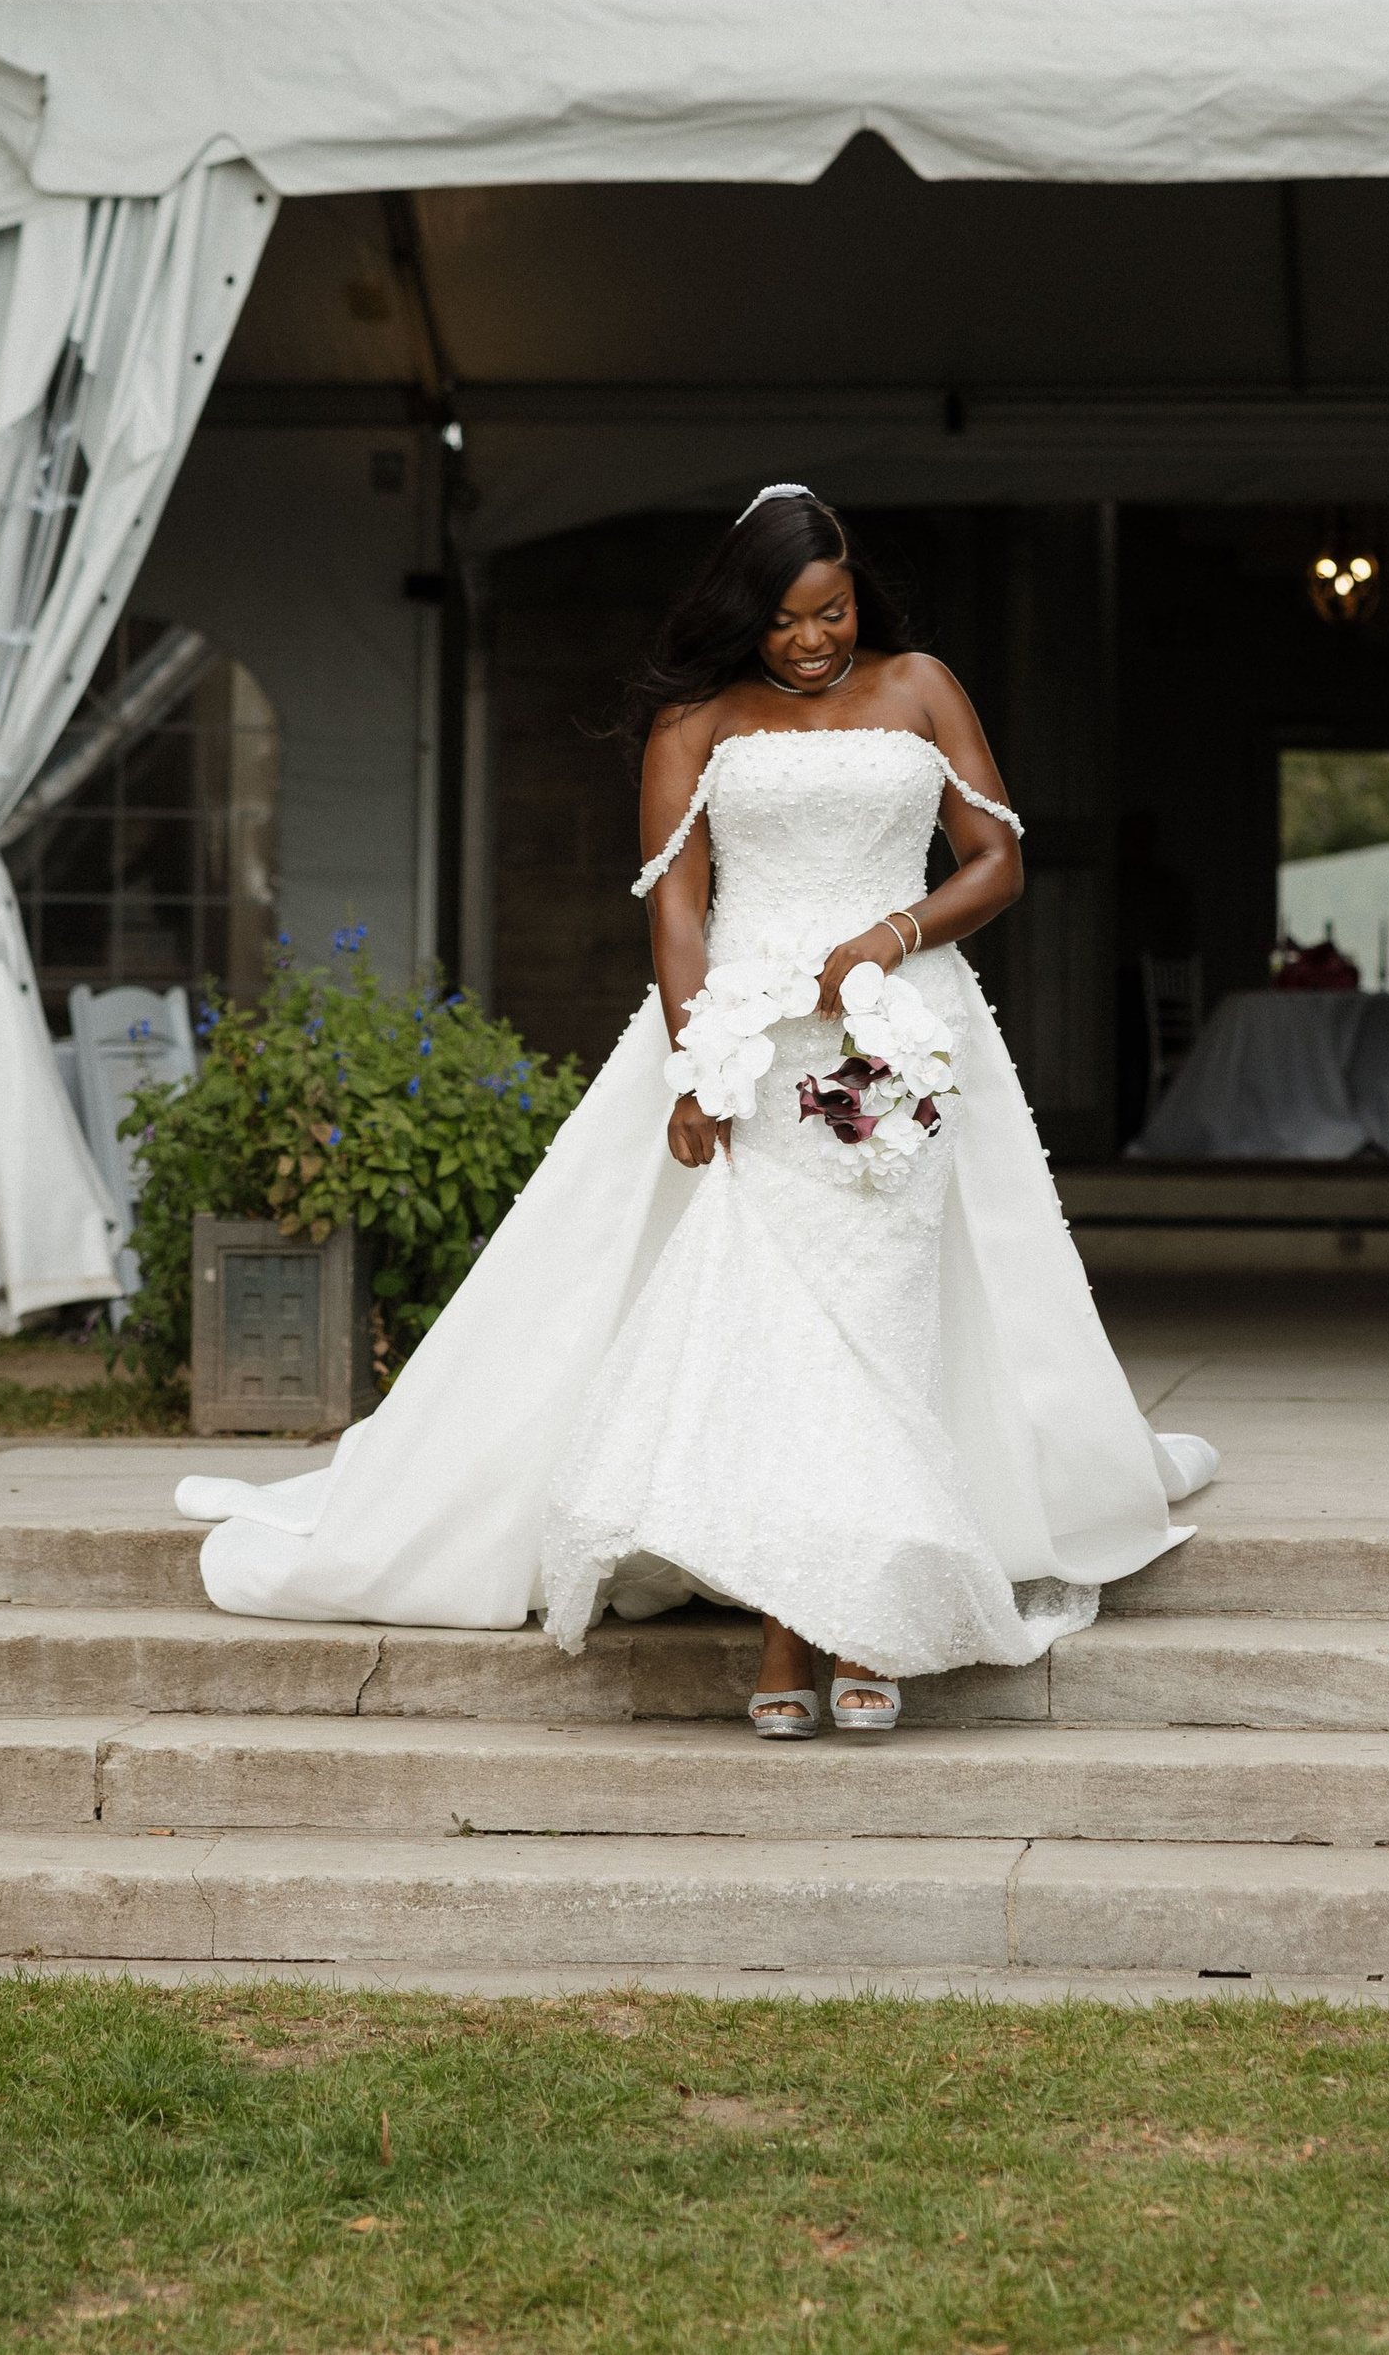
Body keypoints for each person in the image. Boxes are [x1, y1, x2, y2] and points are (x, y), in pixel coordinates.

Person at [178, 485, 1217, 1733]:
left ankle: (854, 1622)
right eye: (782, 620)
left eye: (831, 611)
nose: (811, 640)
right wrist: (694, 1070)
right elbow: (677, 910)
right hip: (748, 1046)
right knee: (775, 1331)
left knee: (879, 1321)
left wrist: (889, 935)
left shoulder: (922, 686)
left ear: (858, 595)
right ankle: (790, 1623)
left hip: (898, 1041)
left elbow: (997, 861)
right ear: (742, 614)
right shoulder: (695, 719)